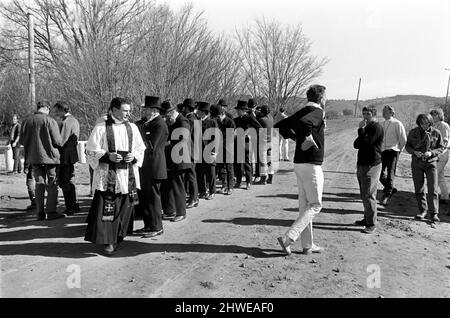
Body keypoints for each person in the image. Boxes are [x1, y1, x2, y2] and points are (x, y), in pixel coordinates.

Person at [84, 97, 146, 255]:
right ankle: (108, 241)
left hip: (127, 175)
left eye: (129, 110)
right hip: (108, 176)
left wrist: (134, 156)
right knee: (108, 209)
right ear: (114, 110)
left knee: (124, 209)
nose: (128, 113)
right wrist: (107, 156)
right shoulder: (101, 128)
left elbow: (140, 148)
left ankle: (119, 237)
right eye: (125, 110)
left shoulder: (132, 127)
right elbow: (90, 150)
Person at [275, 85, 327, 255]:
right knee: (316, 205)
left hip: (299, 163)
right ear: (320, 98)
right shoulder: (318, 112)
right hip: (312, 164)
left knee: (305, 206)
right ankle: (289, 237)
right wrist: (306, 137)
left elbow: (281, 125)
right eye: (325, 96)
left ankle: (308, 245)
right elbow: (306, 123)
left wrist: (296, 137)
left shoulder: (302, 111)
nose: (326, 99)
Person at [20, 101, 65, 221]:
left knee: (39, 184)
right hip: (50, 157)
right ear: (46, 108)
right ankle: (51, 211)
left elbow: (21, 141)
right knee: (52, 183)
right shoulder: (50, 121)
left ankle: (39, 212)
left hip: (33, 158)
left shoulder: (26, 121)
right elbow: (58, 141)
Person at [134, 96, 168, 238]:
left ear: (154, 111)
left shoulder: (159, 124)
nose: (144, 111)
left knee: (153, 199)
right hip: (145, 167)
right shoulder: (146, 123)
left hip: (154, 166)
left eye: (146, 109)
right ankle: (148, 225)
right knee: (145, 199)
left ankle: (156, 226)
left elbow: (151, 146)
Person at [405, 114, 445, 224]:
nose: (425, 125)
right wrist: (414, 152)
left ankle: (434, 213)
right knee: (419, 187)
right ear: (419, 123)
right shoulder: (413, 132)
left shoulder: (436, 132)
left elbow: (441, 147)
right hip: (417, 163)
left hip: (431, 163)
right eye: (422, 123)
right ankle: (422, 210)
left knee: (433, 188)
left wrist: (431, 153)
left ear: (430, 122)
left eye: (427, 123)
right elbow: (407, 146)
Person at [353, 106, 384, 234]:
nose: (366, 116)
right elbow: (356, 145)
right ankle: (367, 218)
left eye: (368, 113)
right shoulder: (366, 128)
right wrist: (361, 130)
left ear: (374, 114)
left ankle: (371, 223)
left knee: (369, 194)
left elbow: (367, 142)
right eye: (364, 113)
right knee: (363, 194)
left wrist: (361, 130)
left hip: (372, 164)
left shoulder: (376, 127)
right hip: (362, 164)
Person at [161, 100, 191, 222]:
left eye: (167, 115)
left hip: (180, 159)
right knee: (169, 185)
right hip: (171, 159)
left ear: (173, 112)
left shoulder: (183, 121)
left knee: (178, 186)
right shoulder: (172, 121)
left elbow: (183, 138)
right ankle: (170, 210)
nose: (166, 117)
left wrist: (168, 143)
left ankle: (181, 212)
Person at [53, 101, 81, 215]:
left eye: (56, 111)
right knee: (70, 180)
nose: (55, 113)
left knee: (65, 181)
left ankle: (70, 207)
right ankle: (75, 205)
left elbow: (61, 141)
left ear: (62, 110)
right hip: (72, 154)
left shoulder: (66, 122)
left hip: (65, 156)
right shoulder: (74, 120)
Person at [379, 105, 407, 205]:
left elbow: (403, 139)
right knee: (379, 172)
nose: (383, 113)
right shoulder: (381, 124)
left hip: (393, 151)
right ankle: (390, 188)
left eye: (385, 111)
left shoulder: (397, 123)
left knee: (390, 173)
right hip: (382, 151)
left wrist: (399, 150)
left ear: (391, 112)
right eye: (383, 111)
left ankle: (388, 195)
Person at [234, 100, 262, 190]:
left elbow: (259, 128)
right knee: (238, 163)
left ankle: (248, 182)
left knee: (247, 162)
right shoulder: (236, 120)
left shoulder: (250, 118)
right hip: (237, 142)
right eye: (237, 109)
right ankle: (238, 181)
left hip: (247, 142)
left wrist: (250, 134)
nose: (237, 111)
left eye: (239, 109)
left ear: (244, 110)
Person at [195, 101, 218, 200]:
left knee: (210, 172)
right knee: (199, 171)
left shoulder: (212, 122)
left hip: (209, 150)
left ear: (204, 112)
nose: (197, 113)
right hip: (199, 150)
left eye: (199, 111)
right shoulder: (197, 121)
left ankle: (212, 191)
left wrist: (214, 151)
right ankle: (202, 191)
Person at [211, 103, 235, 195]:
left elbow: (231, 136)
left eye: (217, 116)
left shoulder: (230, 122)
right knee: (222, 168)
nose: (216, 118)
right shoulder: (216, 121)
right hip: (220, 147)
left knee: (229, 167)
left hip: (228, 147)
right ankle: (224, 185)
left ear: (221, 114)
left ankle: (230, 187)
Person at [182, 98, 200, 209]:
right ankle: (194, 197)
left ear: (187, 108)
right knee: (191, 175)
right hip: (194, 150)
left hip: (191, 151)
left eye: (184, 107)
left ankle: (193, 198)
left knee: (191, 176)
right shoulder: (195, 118)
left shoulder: (190, 119)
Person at [430, 109, 450, 204]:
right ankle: (444, 196)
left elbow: (445, 140)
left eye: (433, 114)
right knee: (440, 176)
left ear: (439, 115)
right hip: (436, 153)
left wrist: (439, 151)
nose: (432, 116)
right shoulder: (434, 125)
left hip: (441, 154)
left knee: (434, 174)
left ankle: (433, 195)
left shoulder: (443, 125)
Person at [255, 105, 274, 185]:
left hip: (263, 143)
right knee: (269, 161)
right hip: (271, 142)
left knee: (263, 161)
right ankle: (270, 179)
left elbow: (257, 125)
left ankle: (263, 180)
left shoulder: (262, 120)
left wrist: (257, 115)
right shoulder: (271, 118)